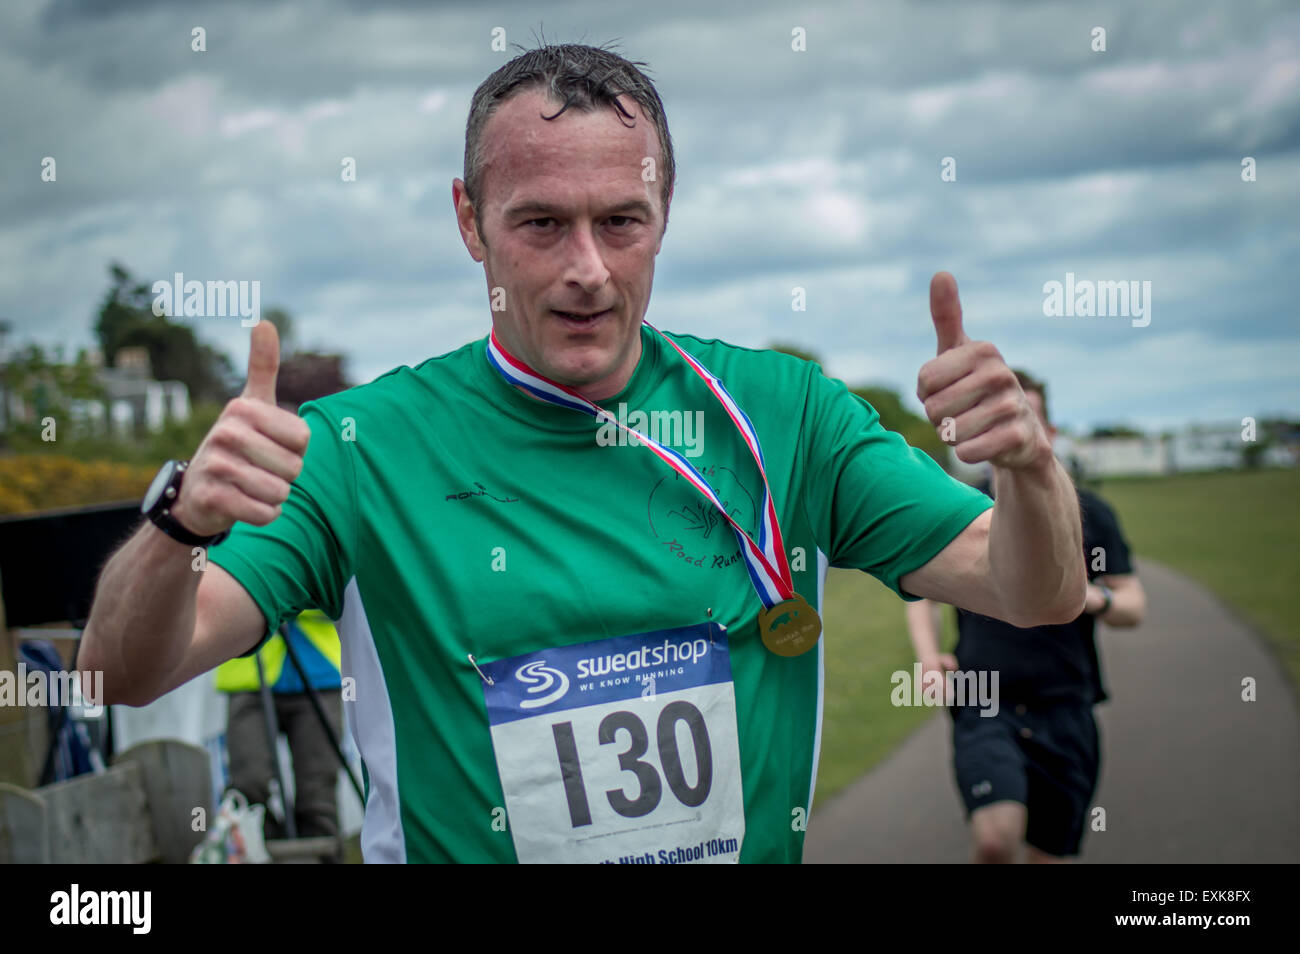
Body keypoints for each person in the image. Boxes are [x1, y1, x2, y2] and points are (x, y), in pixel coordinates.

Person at [79, 44, 1086, 863]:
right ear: (469, 221)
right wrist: (182, 527)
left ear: (665, 215)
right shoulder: (360, 446)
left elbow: (1033, 591)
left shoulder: (785, 413)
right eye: (542, 225)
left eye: (620, 222)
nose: (587, 271)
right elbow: (123, 673)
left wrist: (1030, 469)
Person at [905, 370, 1146, 864]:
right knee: (995, 841)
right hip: (984, 697)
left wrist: (1090, 597)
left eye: (1025, 418)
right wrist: (929, 659)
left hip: (1066, 704)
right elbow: (921, 593)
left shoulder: (1090, 514)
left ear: (1050, 434)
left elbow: (1133, 606)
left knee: (1047, 855)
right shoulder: (961, 505)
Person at [215, 609, 344, 859]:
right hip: (248, 672)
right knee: (249, 787)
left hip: (319, 670)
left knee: (317, 797)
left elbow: (343, 588)